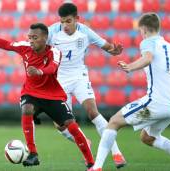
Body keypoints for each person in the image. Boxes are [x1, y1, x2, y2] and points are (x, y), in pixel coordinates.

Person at [88, 13, 170, 171]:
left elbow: (148, 58)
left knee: (113, 122)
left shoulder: (147, 42)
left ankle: (97, 167)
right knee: (148, 137)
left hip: (155, 103)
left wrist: (130, 67)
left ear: (144, 30)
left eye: (140, 32)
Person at [0, 23, 95, 169]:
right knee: (27, 108)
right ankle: (33, 154)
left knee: (71, 125)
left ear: (45, 38)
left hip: (52, 95)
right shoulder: (25, 47)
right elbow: (5, 44)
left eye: (35, 37)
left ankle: (91, 163)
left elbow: (52, 67)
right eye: (29, 37)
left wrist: (40, 72)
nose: (31, 40)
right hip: (31, 93)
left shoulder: (54, 51)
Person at [47, 3, 126, 168]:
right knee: (60, 124)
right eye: (62, 21)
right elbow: (37, 44)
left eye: (68, 21)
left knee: (92, 112)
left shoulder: (85, 32)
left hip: (79, 76)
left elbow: (107, 47)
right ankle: (84, 142)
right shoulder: (52, 31)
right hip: (59, 81)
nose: (65, 26)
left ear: (77, 19)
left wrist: (115, 51)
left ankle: (116, 152)